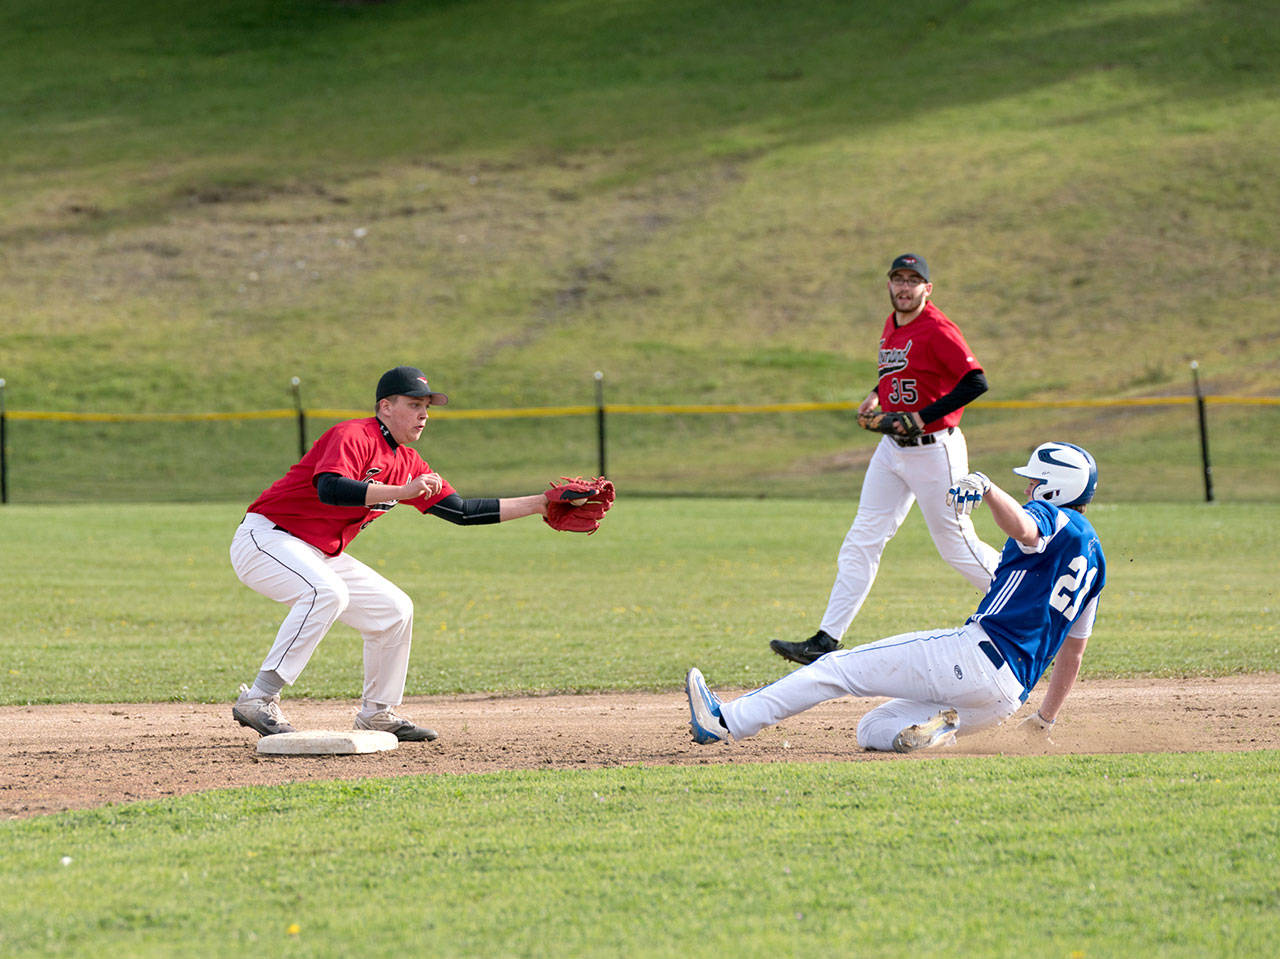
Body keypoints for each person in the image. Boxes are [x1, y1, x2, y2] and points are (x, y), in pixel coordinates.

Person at [230, 365, 582, 742]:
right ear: (385, 406)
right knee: (327, 592)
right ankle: (260, 697)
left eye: (427, 406)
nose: (424, 414)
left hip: (317, 552)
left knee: (394, 610)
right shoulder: (352, 435)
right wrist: (402, 491)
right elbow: (330, 488)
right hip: (267, 537)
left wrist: (541, 504)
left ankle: (377, 713)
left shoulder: (409, 463)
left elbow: (461, 511)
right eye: (414, 404)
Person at [691, 442, 1105, 752]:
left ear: (1054, 488)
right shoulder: (1097, 561)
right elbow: (1074, 654)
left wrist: (989, 489)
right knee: (873, 729)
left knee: (834, 668)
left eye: (1034, 481)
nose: (1029, 487)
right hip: (1007, 697)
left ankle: (727, 720)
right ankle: (934, 735)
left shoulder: (1053, 517)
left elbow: (1027, 530)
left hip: (976, 657)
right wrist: (1045, 719)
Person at [771, 254, 1002, 666]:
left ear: (927, 289)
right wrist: (877, 395)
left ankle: (1033, 611)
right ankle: (826, 640)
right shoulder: (893, 324)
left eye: (914, 280)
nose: (904, 286)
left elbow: (976, 382)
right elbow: (897, 372)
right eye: (898, 279)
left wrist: (921, 417)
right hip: (891, 451)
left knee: (956, 546)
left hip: (936, 451)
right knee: (863, 539)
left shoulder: (937, 328)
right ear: (889, 285)